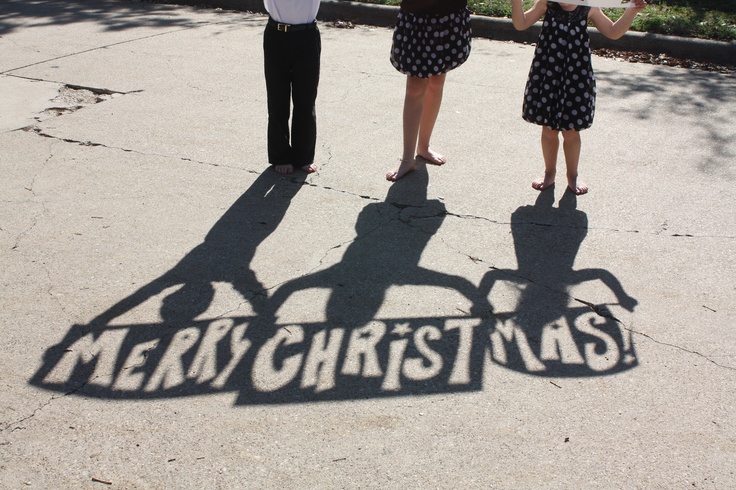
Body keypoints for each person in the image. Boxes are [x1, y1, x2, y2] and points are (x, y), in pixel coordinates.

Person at [511, 0, 647, 195]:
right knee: (548, 129)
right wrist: (517, 3)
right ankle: (549, 171)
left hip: (576, 77)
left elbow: (613, 32)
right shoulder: (547, 4)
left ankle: (572, 174)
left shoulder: (588, 7)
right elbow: (520, 23)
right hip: (548, 74)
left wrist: (631, 12)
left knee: (571, 132)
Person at [386, 0, 472, 182]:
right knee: (415, 87)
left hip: (450, 13)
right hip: (417, 15)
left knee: (437, 81)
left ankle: (423, 146)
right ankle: (408, 158)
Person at [263, 0, 321, 174]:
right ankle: (280, 155)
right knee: (277, 97)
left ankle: (303, 155)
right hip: (276, 33)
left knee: (306, 98)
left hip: (307, 35)